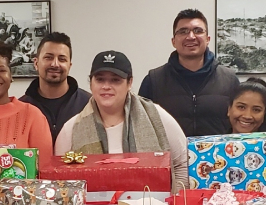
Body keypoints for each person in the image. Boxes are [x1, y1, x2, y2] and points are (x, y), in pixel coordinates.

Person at [55, 51, 188, 193]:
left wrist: (173, 203)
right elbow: (59, 181)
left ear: (129, 83)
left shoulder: (156, 117)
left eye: (115, 80)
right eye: (100, 79)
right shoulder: (71, 129)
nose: (106, 86)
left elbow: (183, 163)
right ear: (90, 83)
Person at [138, 9, 240, 137]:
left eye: (198, 31)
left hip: (218, 156)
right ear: (173, 41)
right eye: (183, 31)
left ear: (208, 39)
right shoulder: (154, 80)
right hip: (172, 156)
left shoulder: (229, 79)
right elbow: (141, 127)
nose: (191, 37)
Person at [19, 32, 92, 143]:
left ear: (69, 66)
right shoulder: (21, 108)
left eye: (62, 59)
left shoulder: (89, 104)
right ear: (36, 63)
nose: (55, 64)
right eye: (48, 57)